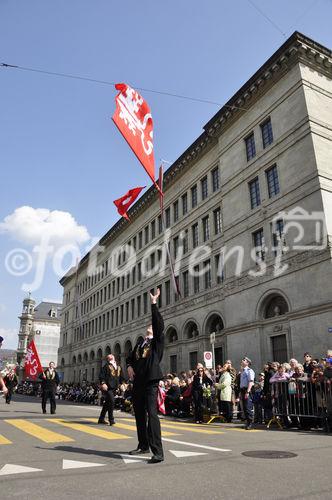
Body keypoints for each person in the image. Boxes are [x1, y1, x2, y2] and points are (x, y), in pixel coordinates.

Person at [126, 288, 165, 464]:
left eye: (152, 326)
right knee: (140, 415)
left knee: (152, 414)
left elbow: (158, 324)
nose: (150, 326)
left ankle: (158, 451)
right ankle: (143, 445)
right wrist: (128, 366)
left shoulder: (157, 343)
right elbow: (129, 358)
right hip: (138, 383)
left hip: (151, 382)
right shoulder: (139, 343)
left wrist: (154, 303)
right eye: (148, 326)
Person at [98, 354, 123, 425]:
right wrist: (103, 383)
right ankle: (111, 419)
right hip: (108, 388)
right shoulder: (106, 366)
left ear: (114, 357)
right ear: (108, 359)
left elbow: (121, 376)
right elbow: (101, 376)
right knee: (112, 401)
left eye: (111, 356)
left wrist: (122, 384)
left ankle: (101, 418)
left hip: (115, 388)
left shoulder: (119, 366)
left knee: (107, 403)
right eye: (108, 357)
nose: (109, 357)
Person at [239, 357, 255, 430]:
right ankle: (247, 422)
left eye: (244, 360)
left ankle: (250, 423)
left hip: (247, 390)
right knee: (244, 408)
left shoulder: (249, 371)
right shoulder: (243, 371)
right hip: (242, 390)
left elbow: (251, 382)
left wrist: (248, 391)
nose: (242, 361)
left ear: (248, 363)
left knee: (248, 407)